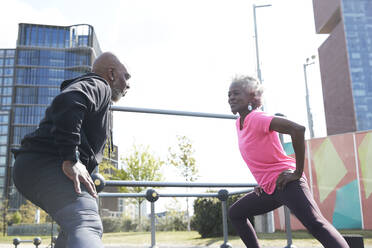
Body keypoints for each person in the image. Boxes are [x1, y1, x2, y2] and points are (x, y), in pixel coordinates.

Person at [12, 52, 131, 248]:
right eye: (125, 76)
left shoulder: (97, 91)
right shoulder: (99, 84)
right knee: (86, 221)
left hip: (33, 165)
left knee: (71, 229)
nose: (128, 84)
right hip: (47, 163)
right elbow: (69, 100)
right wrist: (72, 158)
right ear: (111, 74)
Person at [227, 76, 349, 248]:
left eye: (236, 93)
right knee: (236, 213)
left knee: (316, 224)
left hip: (286, 183)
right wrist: (263, 181)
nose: (230, 98)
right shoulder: (240, 123)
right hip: (270, 188)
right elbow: (261, 154)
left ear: (252, 97)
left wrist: (297, 172)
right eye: (229, 94)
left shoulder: (257, 118)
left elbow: (297, 129)